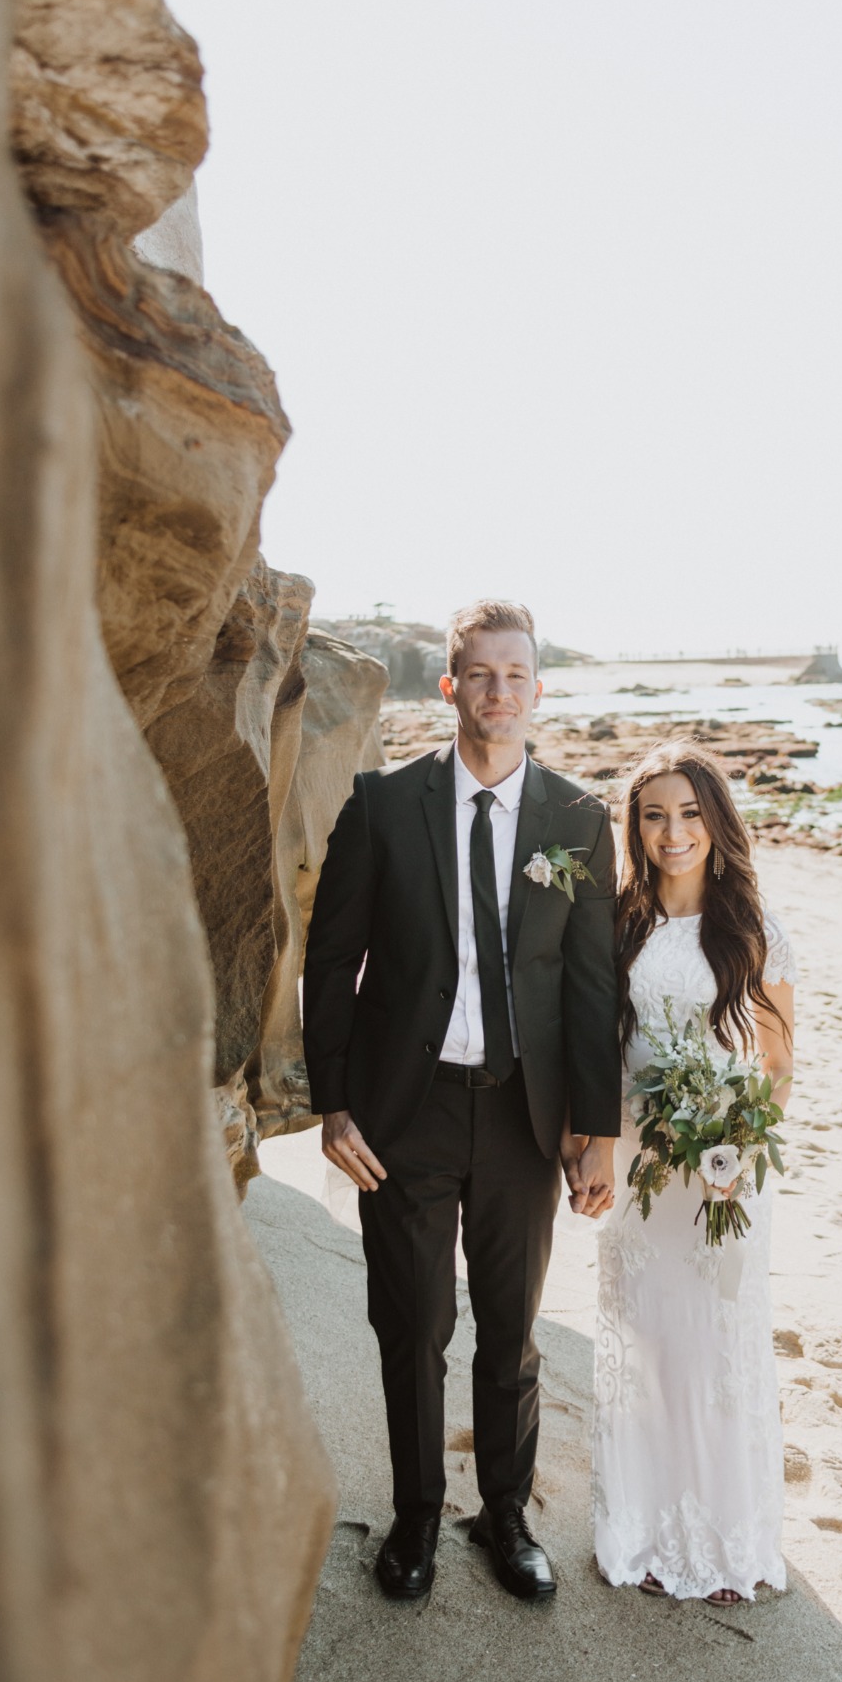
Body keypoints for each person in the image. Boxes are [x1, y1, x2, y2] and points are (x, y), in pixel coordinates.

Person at [303, 601, 619, 1603]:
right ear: (450, 686)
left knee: (513, 1334)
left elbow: (591, 982)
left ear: (539, 688)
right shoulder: (384, 808)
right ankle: (416, 1521)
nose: (498, 692)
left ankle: (508, 1519)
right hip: (406, 1112)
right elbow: (332, 958)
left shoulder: (576, 820)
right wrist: (336, 1104)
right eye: (479, 674)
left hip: (526, 1116)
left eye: (515, 675)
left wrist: (596, 1125)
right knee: (415, 1326)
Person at [593, 740, 795, 1605]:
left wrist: (739, 1151)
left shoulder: (753, 930)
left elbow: (780, 1066)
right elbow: (597, 1047)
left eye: (688, 813)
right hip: (639, 1167)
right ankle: (643, 1527)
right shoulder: (616, 923)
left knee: (714, 1348)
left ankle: (720, 1539)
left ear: (715, 822)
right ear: (634, 827)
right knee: (648, 1345)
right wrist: (595, 1143)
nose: (672, 832)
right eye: (653, 814)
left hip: (718, 1171)